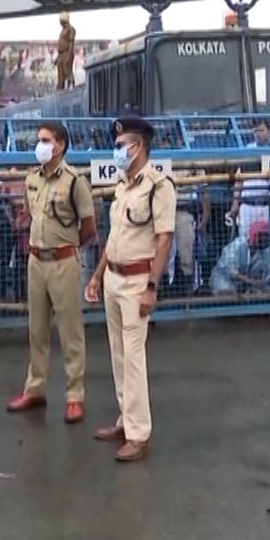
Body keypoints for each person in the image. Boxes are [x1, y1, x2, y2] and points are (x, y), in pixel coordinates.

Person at [85, 116, 176, 462]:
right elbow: (113, 238)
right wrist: (96, 276)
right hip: (113, 277)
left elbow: (164, 238)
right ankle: (127, 419)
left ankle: (139, 434)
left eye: (122, 145)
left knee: (134, 357)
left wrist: (152, 286)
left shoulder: (158, 185)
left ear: (139, 146)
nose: (117, 150)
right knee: (118, 353)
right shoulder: (124, 186)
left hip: (138, 280)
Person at [7, 122, 96, 423]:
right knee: (37, 329)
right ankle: (36, 387)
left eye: (45, 140)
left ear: (59, 145)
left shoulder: (74, 182)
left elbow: (89, 227)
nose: (39, 146)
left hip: (63, 261)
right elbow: (30, 215)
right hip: (36, 261)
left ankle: (75, 395)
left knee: (70, 331)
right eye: (39, 140)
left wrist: (67, 249)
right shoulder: (32, 179)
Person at [55, 11, 76, 90]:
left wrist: (68, 55)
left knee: (67, 70)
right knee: (60, 72)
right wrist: (57, 58)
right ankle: (60, 87)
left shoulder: (71, 29)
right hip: (61, 54)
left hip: (67, 53)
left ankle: (71, 86)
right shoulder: (63, 30)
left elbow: (71, 43)